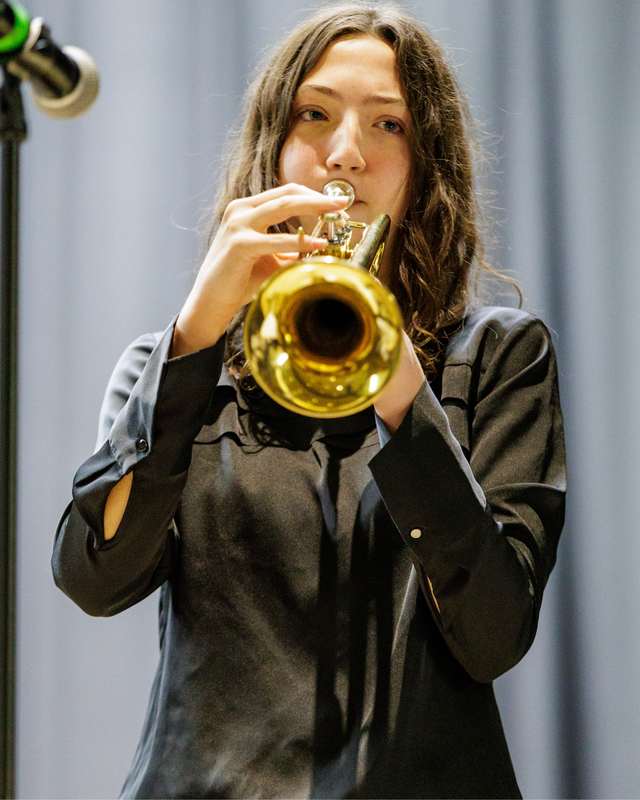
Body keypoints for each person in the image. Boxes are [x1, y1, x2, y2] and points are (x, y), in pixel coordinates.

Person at [52, 2, 566, 798]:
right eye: (314, 115)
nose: (345, 155)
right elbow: (94, 577)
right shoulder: (173, 365)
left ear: (427, 162)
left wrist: (399, 384)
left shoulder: (500, 356)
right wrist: (192, 339)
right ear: (274, 149)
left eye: (389, 125)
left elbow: (494, 634)